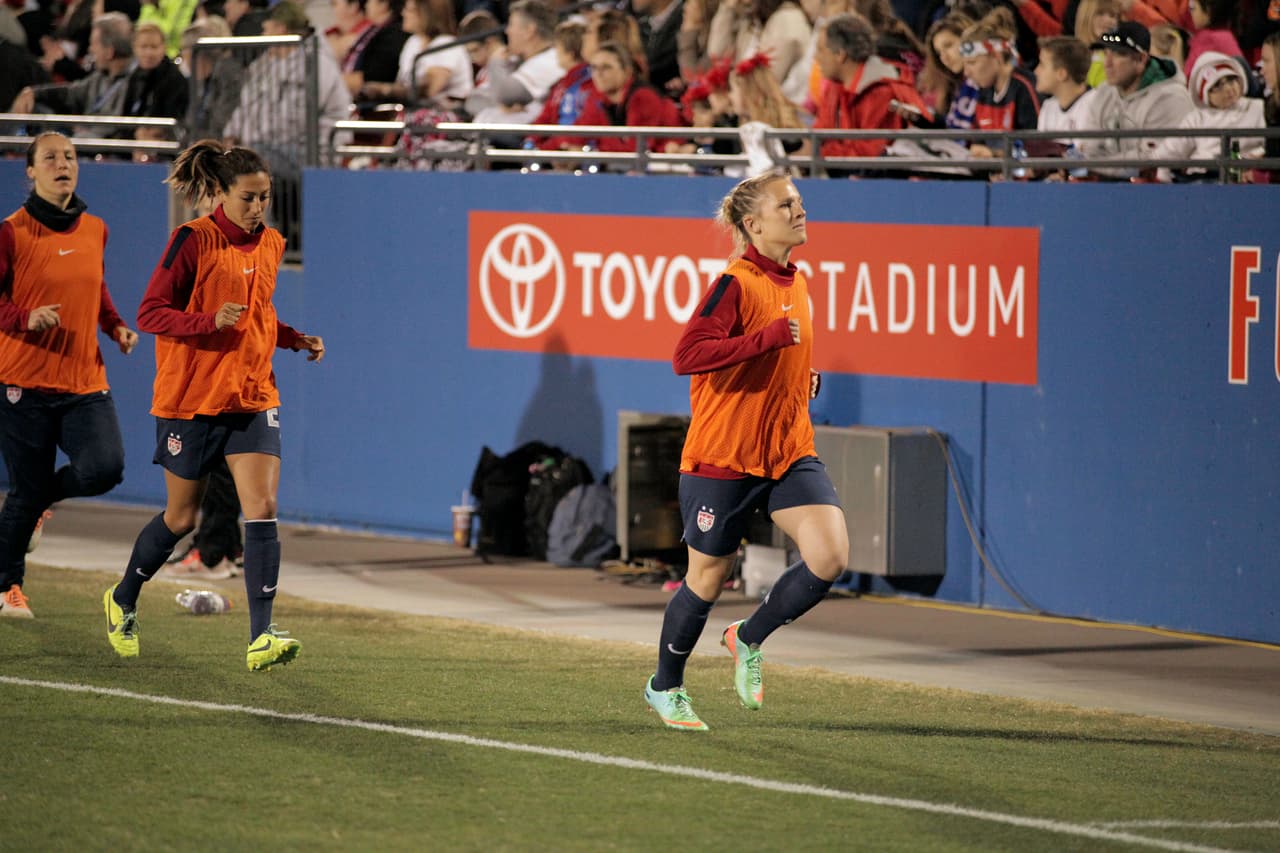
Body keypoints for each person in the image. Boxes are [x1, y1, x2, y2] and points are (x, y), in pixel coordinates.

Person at [103, 139, 326, 670]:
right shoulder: (192, 240)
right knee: (181, 517)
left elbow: (259, 317)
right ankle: (122, 599)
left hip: (252, 395)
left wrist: (296, 339)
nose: (257, 207)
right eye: (248, 197)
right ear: (221, 194)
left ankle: (261, 636)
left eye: (265, 197)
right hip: (191, 400)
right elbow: (151, 312)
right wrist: (207, 321)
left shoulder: (272, 243)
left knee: (263, 508)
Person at [643, 171, 846, 731]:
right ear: (754, 225)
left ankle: (747, 637)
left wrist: (801, 375)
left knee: (829, 556)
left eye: (800, 201)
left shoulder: (796, 281)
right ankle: (665, 687)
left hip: (785, 449)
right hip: (724, 454)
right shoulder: (734, 282)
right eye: (787, 205)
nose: (800, 210)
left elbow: (778, 352)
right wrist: (771, 341)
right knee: (706, 578)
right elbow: (689, 354)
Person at [0, 132, 138, 618]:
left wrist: (115, 325)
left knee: (106, 467)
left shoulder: (95, 227)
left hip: (84, 381)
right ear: (31, 171)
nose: (64, 164)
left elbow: (95, 288)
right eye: (51, 158)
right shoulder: (11, 231)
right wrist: (24, 318)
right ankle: (8, 587)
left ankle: (42, 501)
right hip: (23, 382)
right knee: (24, 488)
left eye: (71, 157)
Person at [812, 12, 927, 167]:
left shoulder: (883, 92)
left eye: (820, 50)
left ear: (840, 55)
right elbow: (820, 134)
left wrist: (819, 153)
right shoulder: (834, 86)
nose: (816, 57)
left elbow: (870, 155)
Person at [1079, 21, 1194, 174]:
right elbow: (1088, 148)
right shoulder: (1104, 92)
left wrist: (1093, 166)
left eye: (1118, 54)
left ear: (1141, 59)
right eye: (1106, 53)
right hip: (1108, 186)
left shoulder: (1171, 99)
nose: (1107, 63)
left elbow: (1150, 162)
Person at [1152, 49, 1264, 179]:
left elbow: (1268, 147)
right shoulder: (1197, 118)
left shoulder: (1257, 107)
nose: (1228, 89)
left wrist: (1255, 159)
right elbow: (1171, 150)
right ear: (1205, 94)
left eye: (1231, 80)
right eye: (1218, 85)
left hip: (1240, 177)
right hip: (1201, 178)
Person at [9, 12, 134, 118]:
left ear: (109, 52)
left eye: (94, 44)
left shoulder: (135, 84)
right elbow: (70, 93)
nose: (90, 50)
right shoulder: (101, 77)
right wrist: (33, 92)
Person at [959, 7, 1041, 161]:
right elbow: (979, 143)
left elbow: (1038, 150)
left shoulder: (1025, 88)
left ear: (996, 56)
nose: (966, 72)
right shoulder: (984, 92)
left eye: (972, 63)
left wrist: (995, 155)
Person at [464, 0, 564, 125]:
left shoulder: (550, 60)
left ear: (529, 31)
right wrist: (500, 106)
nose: (507, 31)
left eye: (511, 25)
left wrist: (495, 62)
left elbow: (504, 96)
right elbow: (473, 102)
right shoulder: (519, 60)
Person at [1035, 36, 1098, 147]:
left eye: (1042, 65)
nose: (1036, 71)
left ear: (1061, 74)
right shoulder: (1048, 107)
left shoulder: (1094, 106)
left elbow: (1087, 159)